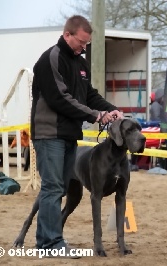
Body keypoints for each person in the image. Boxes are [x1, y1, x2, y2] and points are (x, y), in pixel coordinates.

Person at [30, 15, 123, 255]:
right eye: (81, 42)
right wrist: (95, 116)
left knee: (58, 189)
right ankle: (50, 245)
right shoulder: (50, 59)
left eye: (87, 44)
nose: (83, 48)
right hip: (49, 133)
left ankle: (48, 240)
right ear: (67, 34)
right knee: (53, 188)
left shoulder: (80, 63)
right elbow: (61, 99)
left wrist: (110, 110)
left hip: (69, 134)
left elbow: (88, 93)